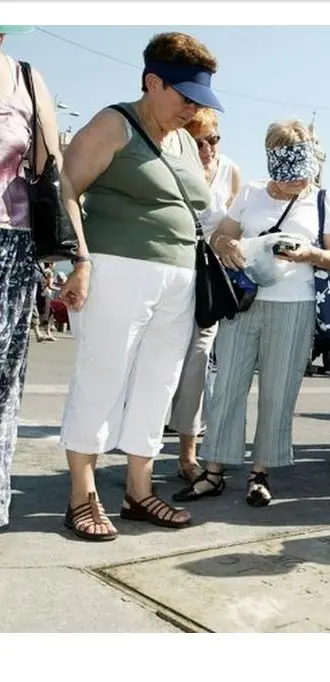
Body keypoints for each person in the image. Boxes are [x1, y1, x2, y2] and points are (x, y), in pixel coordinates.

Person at [59, 31, 220, 541]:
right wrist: (79, 260)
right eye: (185, 96)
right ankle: (81, 497)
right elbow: (66, 189)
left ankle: (137, 491)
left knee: (158, 385)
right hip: (117, 268)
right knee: (101, 379)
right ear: (153, 82)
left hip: (179, 277)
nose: (193, 108)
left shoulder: (184, 139)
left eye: (200, 99)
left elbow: (201, 210)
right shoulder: (114, 124)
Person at [175, 119, 330, 507]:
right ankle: (214, 470)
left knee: (278, 393)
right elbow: (221, 236)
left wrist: (310, 254)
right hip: (245, 303)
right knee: (228, 387)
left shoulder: (323, 201)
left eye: (303, 177)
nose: (297, 186)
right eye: (289, 180)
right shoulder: (251, 192)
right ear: (273, 165)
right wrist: (229, 247)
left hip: (295, 306)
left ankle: (260, 473)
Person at [0, 25, 91, 530]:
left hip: (9, 244)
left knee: (3, 379)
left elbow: (54, 174)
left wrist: (79, 257)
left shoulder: (28, 81)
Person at [167, 107, 241, 483]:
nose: (208, 148)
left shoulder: (230, 170)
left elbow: (237, 224)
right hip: (174, 270)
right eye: (199, 141)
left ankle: (187, 453)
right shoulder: (175, 164)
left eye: (213, 139)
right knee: (164, 361)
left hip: (209, 281)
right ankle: (139, 443)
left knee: (196, 365)